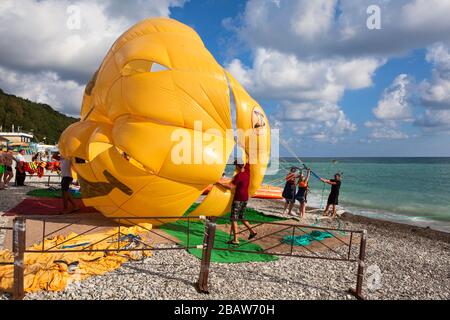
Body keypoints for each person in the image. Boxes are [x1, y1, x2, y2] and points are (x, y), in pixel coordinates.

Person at [219, 161, 257, 245]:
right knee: (241, 217)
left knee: (234, 219)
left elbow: (230, 186)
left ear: (237, 167)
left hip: (238, 199)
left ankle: (236, 240)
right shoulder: (247, 171)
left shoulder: (239, 176)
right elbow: (249, 161)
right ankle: (252, 231)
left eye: (235, 166)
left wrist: (219, 183)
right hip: (245, 198)